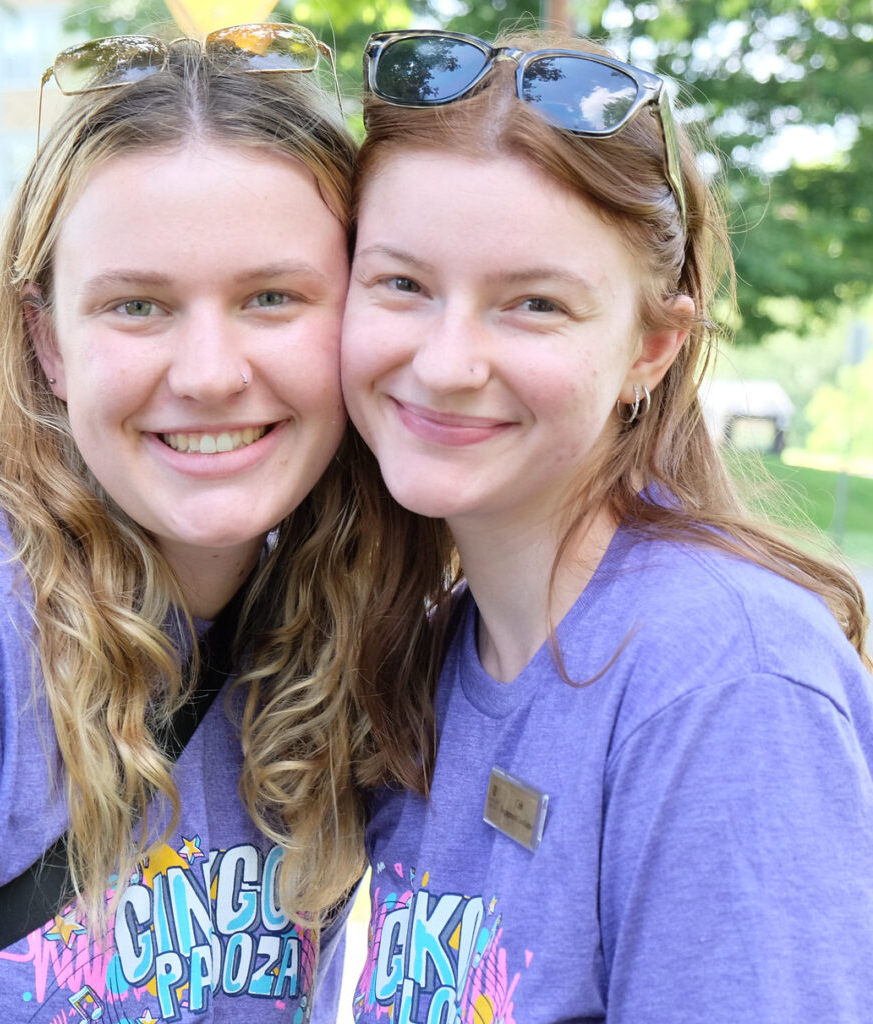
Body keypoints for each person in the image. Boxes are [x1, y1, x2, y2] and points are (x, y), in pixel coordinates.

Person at [341, 27, 873, 1023]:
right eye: (403, 284)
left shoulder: (722, 676)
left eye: (533, 303)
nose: (448, 361)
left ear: (651, 347)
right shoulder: (442, 649)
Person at [0, 24, 373, 1021]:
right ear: (50, 342)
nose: (210, 372)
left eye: (272, 297)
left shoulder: (370, 636)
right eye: (137, 306)